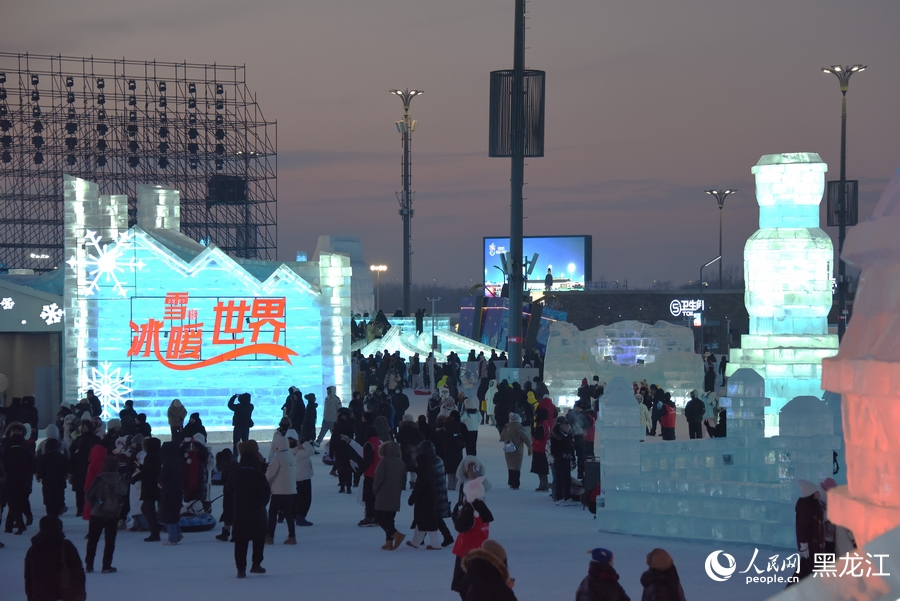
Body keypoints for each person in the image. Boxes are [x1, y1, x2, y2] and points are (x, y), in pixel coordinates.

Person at [228, 448, 271, 578]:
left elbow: (228, 493)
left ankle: (240, 569)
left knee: (240, 542)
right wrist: (260, 505)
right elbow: (266, 494)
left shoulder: (234, 475)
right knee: (258, 538)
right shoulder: (259, 476)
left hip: (239, 513)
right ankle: (256, 564)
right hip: (257, 512)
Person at [450, 477, 495, 597]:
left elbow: (460, 527)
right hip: (479, 549)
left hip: (466, 551)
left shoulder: (470, 510)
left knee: (465, 583)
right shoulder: (482, 508)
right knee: (476, 581)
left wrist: (455, 517)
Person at [24, 515, 86, 601]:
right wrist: (80, 593)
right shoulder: (66, 546)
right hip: (65, 593)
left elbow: (28, 577)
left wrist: (30, 596)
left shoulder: (33, 549)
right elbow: (78, 571)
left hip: (40, 594)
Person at [84, 455, 127, 573]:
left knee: (93, 539)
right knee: (110, 541)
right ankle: (106, 565)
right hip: (113, 513)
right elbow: (124, 492)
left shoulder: (99, 479)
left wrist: (95, 505)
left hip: (97, 513)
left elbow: (88, 495)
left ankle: (89, 564)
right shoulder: (119, 479)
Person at [406, 440, 449, 549]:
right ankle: (417, 541)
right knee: (426, 520)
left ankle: (437, 542)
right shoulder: (437, 460)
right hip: (438, 493)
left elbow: (422, 483)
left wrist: (412, 498)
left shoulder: (427, 465)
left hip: (429, 497)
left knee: (430, 521)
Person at [372, 441, 407, 550]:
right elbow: (403, 482)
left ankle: (396, 534)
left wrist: (375, 490)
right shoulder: (401, 463)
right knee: (390, 518)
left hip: (383, 493)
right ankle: (388, 541)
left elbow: (378, 478)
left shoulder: (384, 462)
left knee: (379, 516)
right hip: (395, 494)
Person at [265, 433, 297, 545]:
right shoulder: (291, 456)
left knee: (272, 513)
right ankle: (292, 536)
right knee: (289, 514)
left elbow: (270, 474)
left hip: (278, 490)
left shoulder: (277, 457)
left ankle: (270, 536)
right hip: (291, 489)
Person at [3, 422, 34, 534]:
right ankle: (11, 525)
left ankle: (16, 525)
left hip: (12, 477)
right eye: (15, 430)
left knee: (13, 502)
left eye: (18, 430)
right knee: (17, 501)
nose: (17, 432)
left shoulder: (7, 444)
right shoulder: (25, 444)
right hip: (19, 477)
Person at [795, 479, 825, 580]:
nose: (819, 494)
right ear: (811, 493)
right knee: (806, 571)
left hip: (814, 547)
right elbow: (802, 528)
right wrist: (803, 546)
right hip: (810, 547)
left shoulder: (814, 505)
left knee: (806, 571)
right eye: (817, 492)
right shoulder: (806, 508)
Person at [157, 440, 184, 546]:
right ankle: (177, 533)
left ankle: (173, 537)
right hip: (178, 489)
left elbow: (163, 475)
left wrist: (159, 481)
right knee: (175, 512)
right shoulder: (180, 460)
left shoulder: (167, 462)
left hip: (168, 489)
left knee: (168, 514)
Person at [35, 437, 68, 517]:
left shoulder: (43, 458)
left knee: (49, 502)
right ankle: (57, 516)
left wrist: (39, 476)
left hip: (47, 482)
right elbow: (67, 468)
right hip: (59, 481)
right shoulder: (61, 457)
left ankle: (50, 520)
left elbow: (40, 470)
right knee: (59, 499)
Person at [499, 413, 532, 490]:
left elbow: (502, 437)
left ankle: (511, 482)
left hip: (508, 449)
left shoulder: (506, 428)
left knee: (510, 466)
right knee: (516, 467)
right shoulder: (519, 429)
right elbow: (526, 439)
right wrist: (530, 446)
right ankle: (515, 483)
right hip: (517, 451)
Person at [139, 437, 162, 542]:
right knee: (148, 509)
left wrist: (134, 478)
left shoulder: (150, 456)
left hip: (149, 487)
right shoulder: (157, 455)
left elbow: (147, 472)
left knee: (148, 509)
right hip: (155, 486)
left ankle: (155, 531)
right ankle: (156, 527)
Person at [291, 431, 316, 527]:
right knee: (305, 499)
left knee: (296, 498)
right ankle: (301, 517)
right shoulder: (301, 452)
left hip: (294, 478)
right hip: (304, 477)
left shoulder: (289, 451)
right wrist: (304, 443)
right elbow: (311, 450)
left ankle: (294, 515)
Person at [550, 415, 575, 505]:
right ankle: (559, 497)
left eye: (567, 424)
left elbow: (571, 448)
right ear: (559, 425)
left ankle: (567, 497)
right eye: (564, 424)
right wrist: (563, 455)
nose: (566, 426)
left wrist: (572, 458)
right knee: (559, 479)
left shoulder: (568, 435)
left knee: (567, 479)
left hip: (566, 460)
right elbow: (554, 450)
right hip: (559, 460)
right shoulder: (556, 436)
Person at [530, 407, 552, 491]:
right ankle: (543, 484)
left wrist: (533, 431)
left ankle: (543, 485)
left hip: (540, 449)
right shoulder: (545, 424)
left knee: (540, 469)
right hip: (542, 448)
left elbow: (539, 436)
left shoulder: (541, 425)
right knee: (541, 468)